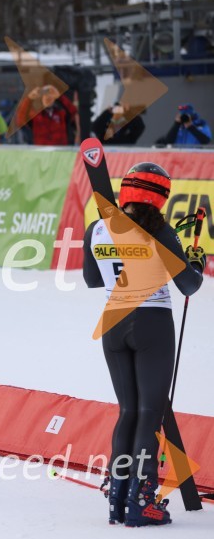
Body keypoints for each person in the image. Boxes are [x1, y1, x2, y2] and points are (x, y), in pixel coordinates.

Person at [82, 162, 205, 527]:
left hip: (113, 324)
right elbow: (189, 285)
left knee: (129, 412)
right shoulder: (161, 230)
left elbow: (91, 279)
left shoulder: (97, 228)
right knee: (149, 415)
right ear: (160, 197)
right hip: (151, 323)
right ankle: (142, 499)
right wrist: (195, 263)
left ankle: (118, 496)